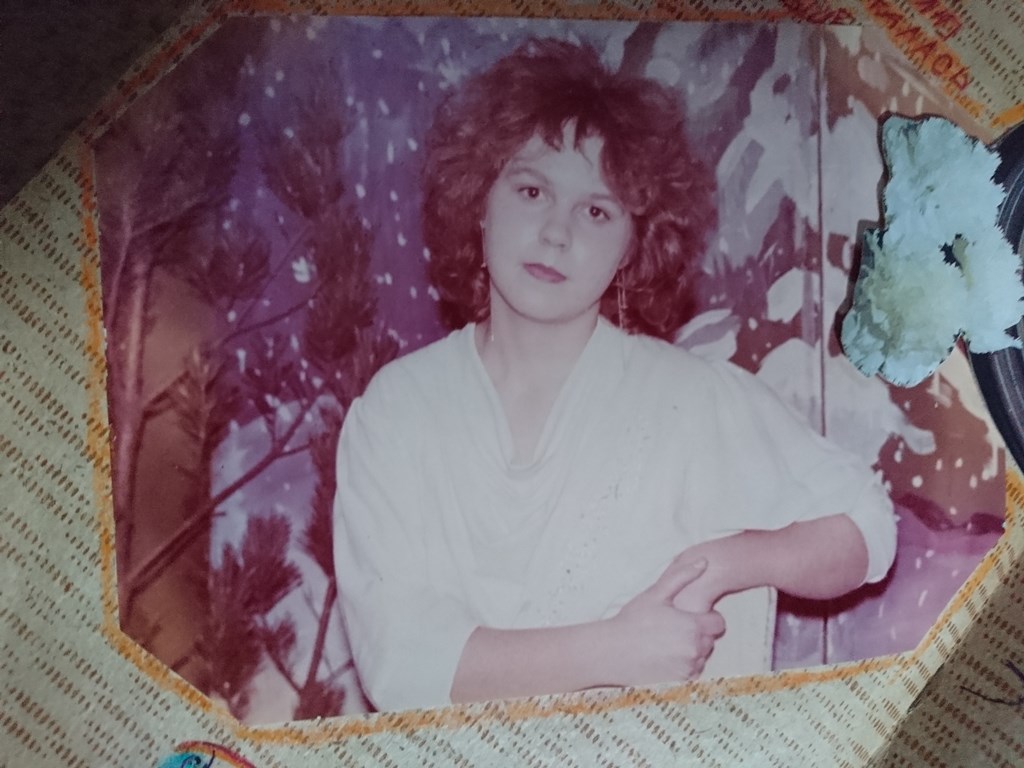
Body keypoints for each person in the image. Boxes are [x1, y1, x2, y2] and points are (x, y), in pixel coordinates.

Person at [332, 38, 897, 713]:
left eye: (596, 210)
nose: (556, 232)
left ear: (634, 245)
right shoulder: (396, 411)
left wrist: (723, 562)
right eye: (532, 190)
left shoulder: (688, 399)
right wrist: (617, 648)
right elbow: (400, 666)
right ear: (479, 200)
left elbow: (865, 528)